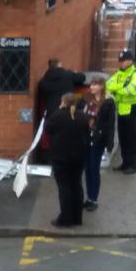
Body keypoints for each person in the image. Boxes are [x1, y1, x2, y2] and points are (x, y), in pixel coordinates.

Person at [45, 93, 89, 227]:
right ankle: (77, 217)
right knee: (76, 185)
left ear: (63, 102)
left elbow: (48, 129)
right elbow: (86, 133)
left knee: (64, 187)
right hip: (79, 157)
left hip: (61, 157)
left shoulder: (57, 115)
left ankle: (65, 219)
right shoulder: (82, 116)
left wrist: (59, 109)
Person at [106, 50, 136, 174]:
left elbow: (131, 90)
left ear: (129, 61)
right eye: (120, 61)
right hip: (121, 109)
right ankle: (125, 162)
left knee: (131, 139)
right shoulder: (119, 74)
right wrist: (119, 89)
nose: (120, 63)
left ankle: (132, 165)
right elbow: (108, 85)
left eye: (122, 61)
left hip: (132, 109)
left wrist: (116, 90)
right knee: (123, 138)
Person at [83, 77, 116, 211]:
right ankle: (88, 198)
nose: (92, 87)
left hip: (98, 140)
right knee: (87, 169)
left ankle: (93, 199)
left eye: (95, 85)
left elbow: (110, 124)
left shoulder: (108, 102)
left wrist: (109, 144)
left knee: (93, 168)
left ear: (101, 86)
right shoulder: (88, 99)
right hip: (86, 138)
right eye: (91, 84)